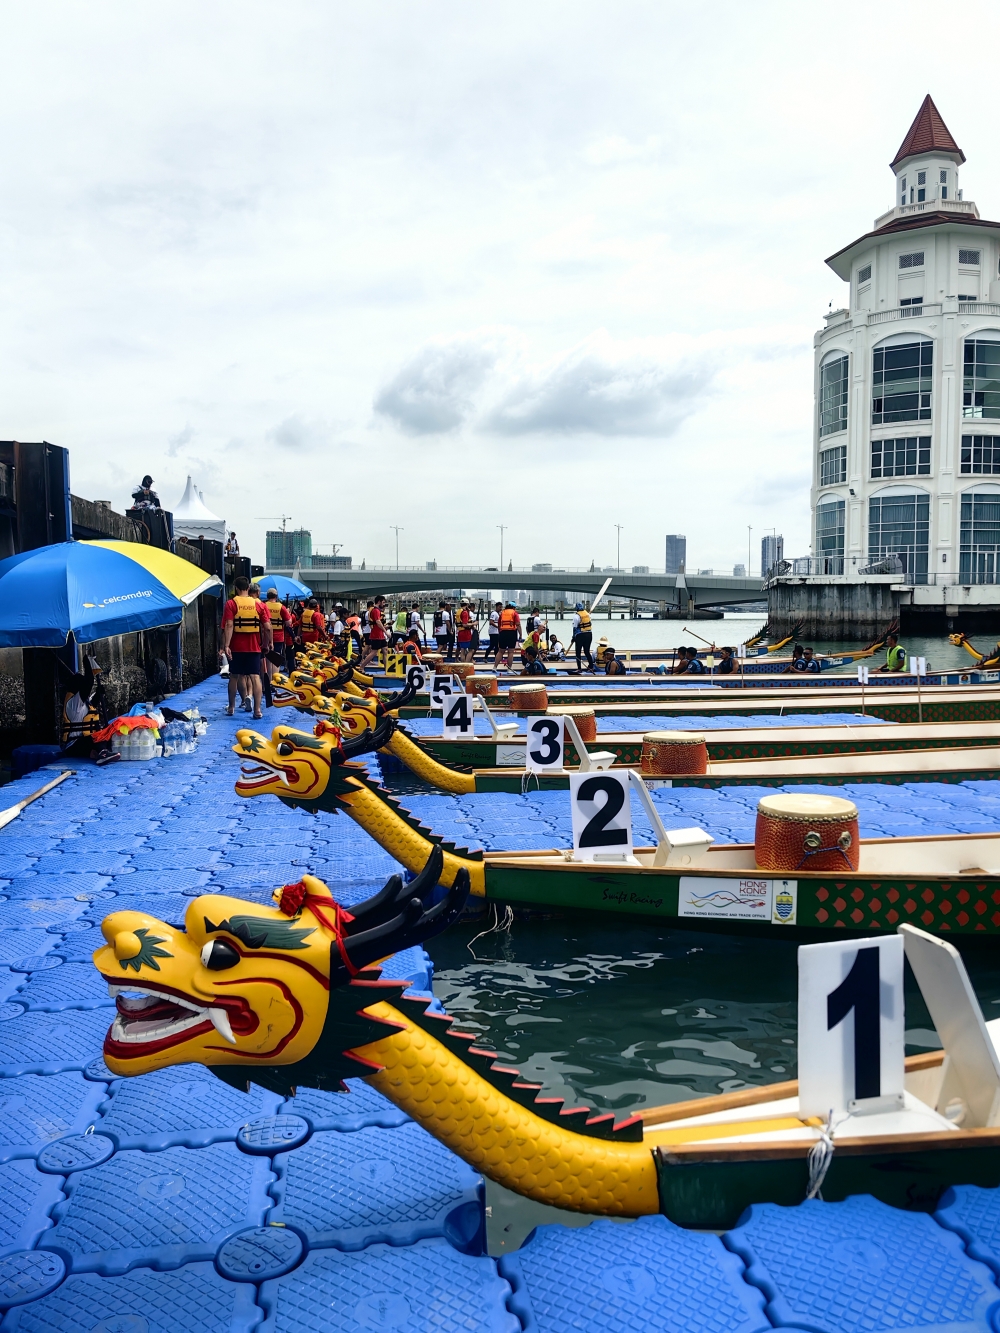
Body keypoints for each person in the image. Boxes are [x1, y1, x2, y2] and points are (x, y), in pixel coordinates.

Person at [222, 575, 272, 719]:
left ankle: (231, 707)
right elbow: (267, 628)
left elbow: (229, 625)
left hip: (236, 647)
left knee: (234, 676)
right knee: (255, 677)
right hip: (254, 648)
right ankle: (257, 710)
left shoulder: (231, 604)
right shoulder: (259, 605)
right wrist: (266, 644)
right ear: (248, 588)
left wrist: (226, 645)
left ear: (236, 588)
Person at [59, 654, 111, 759]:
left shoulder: (82, 702)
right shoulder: (73, 702)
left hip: (82, 742)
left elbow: (91, 708)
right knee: (97, 737)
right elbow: (89, 682)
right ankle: (102, 753)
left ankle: (98, 752)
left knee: (109, 733)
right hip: (73, 745)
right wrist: (86, 660)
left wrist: (98, 694)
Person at [263, 589, 294, 692]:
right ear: (276, 597)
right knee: (276, 660)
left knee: (267, 659)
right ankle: (274, 683)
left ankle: (266, 683)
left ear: (267, 596)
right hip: (278, 636)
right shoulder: (281, 607)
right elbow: (289, 622)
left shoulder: (263, 605)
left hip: (265, 635)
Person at [494, 601, 521, 672]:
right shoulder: (515, 613)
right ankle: (509, 669)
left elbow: (499, 624)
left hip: (503, 633)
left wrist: (500, 632)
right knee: (511, 652)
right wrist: (520, 634)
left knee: (500, 651)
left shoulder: (502, 613)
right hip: (512, 633)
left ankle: (495, 667)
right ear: (514, 607)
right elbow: (518, 624)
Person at [571, 602, 594, 674]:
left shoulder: (576, 616)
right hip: (589, 634)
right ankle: (591, 666)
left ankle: (579, 669)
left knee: (578, 652)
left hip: (580, 635)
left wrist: (573, 637)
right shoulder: (587, 614)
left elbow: (575, 628)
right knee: (587, 651)